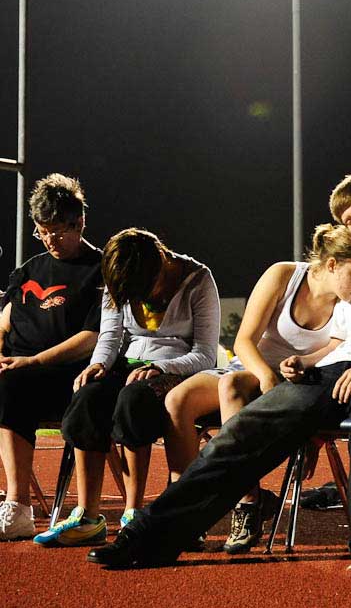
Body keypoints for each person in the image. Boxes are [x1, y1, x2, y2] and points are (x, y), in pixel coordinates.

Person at [87, 172, 351, 580]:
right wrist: (305, 364)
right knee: (239, 435)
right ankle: (150, 534)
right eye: (348, 218)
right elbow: (340, 341)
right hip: (332, 371)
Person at [163, 223, 351, 554]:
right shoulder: (284, 275)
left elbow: (336, 353)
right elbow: (243, 341)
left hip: (301, 380)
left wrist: (300, 372)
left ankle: (247, 503)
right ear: (333, 263)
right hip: (254, 365)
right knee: (178, 399)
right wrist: (266, 375)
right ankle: (180, 511)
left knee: (231, 386)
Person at [33, 228, 220, 547]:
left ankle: (133, 511)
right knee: (87, 398)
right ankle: (88, 516)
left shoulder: (198, 279)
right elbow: (110, 335)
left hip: (177, 367)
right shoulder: (118, 275)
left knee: (134, 400)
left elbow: (205, 353)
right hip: (128, 363)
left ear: (161, 263)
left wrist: (161, 367)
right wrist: (98, 364)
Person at [0, 174, 102, 541]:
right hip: (18, 369)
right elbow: (5, 321)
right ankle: (15, 506)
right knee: (7, 380)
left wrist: (33, 361)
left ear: (80, 223)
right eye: (42, 231)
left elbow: (94, 337)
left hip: (67, 376)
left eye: (58, 231)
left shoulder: (100, 270)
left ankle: (17, 504)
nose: (49, 240)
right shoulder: (29, 269)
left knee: (9, 385)